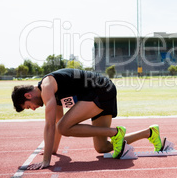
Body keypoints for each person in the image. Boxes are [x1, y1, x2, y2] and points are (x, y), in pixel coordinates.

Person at [11, 68, 162, 170]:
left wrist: (46, 161)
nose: (33, 108)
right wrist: (53, 150)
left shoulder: (47, 86)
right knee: (102, 147)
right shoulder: (53, 95)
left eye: (28, 106)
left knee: (64, 127)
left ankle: (114, 132)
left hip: (101, 90)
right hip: (100, 93)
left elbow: (50, 125)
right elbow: (57, 121)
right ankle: (149, 133)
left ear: (28, 95)